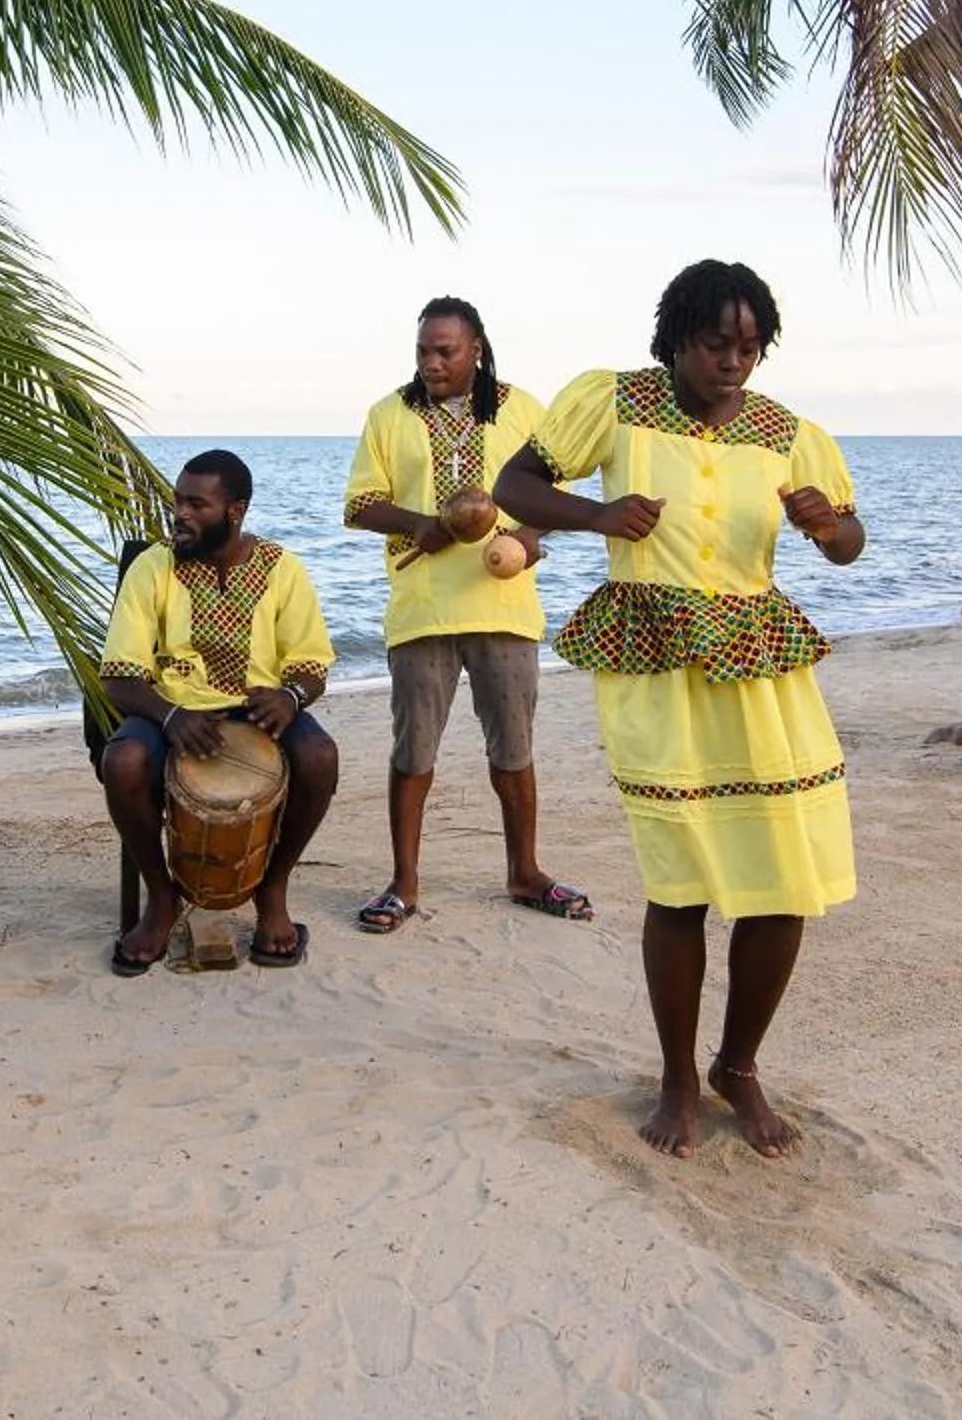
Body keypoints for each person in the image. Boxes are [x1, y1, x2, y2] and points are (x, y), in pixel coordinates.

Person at [492, 260, 865, 1162]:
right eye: (715, 344)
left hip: (764, 668)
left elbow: (851, 544)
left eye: (749, 346)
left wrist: (825, 525)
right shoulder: (612, 403)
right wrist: (597, 514)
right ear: (675, 339)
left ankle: (737, 1067)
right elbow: (515, 486)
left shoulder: (788, 433)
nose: (733, 361)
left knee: (785, 876)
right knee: (682, 877)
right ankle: (674, 1076)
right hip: (654, 658)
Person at [341, 295, 585, 933]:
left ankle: (524, 872)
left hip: (503, 605)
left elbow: (551, 493)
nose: (431, 362)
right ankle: (404, 883)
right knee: (413, 750)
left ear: (477, 349)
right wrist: (419, 522)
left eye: (445, 351)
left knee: (514, 748)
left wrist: (530, 538)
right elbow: (360, 504)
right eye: (423, 350)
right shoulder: (390, 415)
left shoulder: (523, 410)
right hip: (423, 609)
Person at [94, 449, 339, 975]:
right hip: (173, 710)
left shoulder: (282, 569)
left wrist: (291, 697)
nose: (179, 513)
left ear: (236, 511)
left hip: (256, 711)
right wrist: (170, 717)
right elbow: (118, 675)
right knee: (123, 761)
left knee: (319, 756)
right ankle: (161, 899)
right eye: (178, 500)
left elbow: (313, 664)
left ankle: (272, 894)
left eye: (196, 504)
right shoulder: (153, 566)